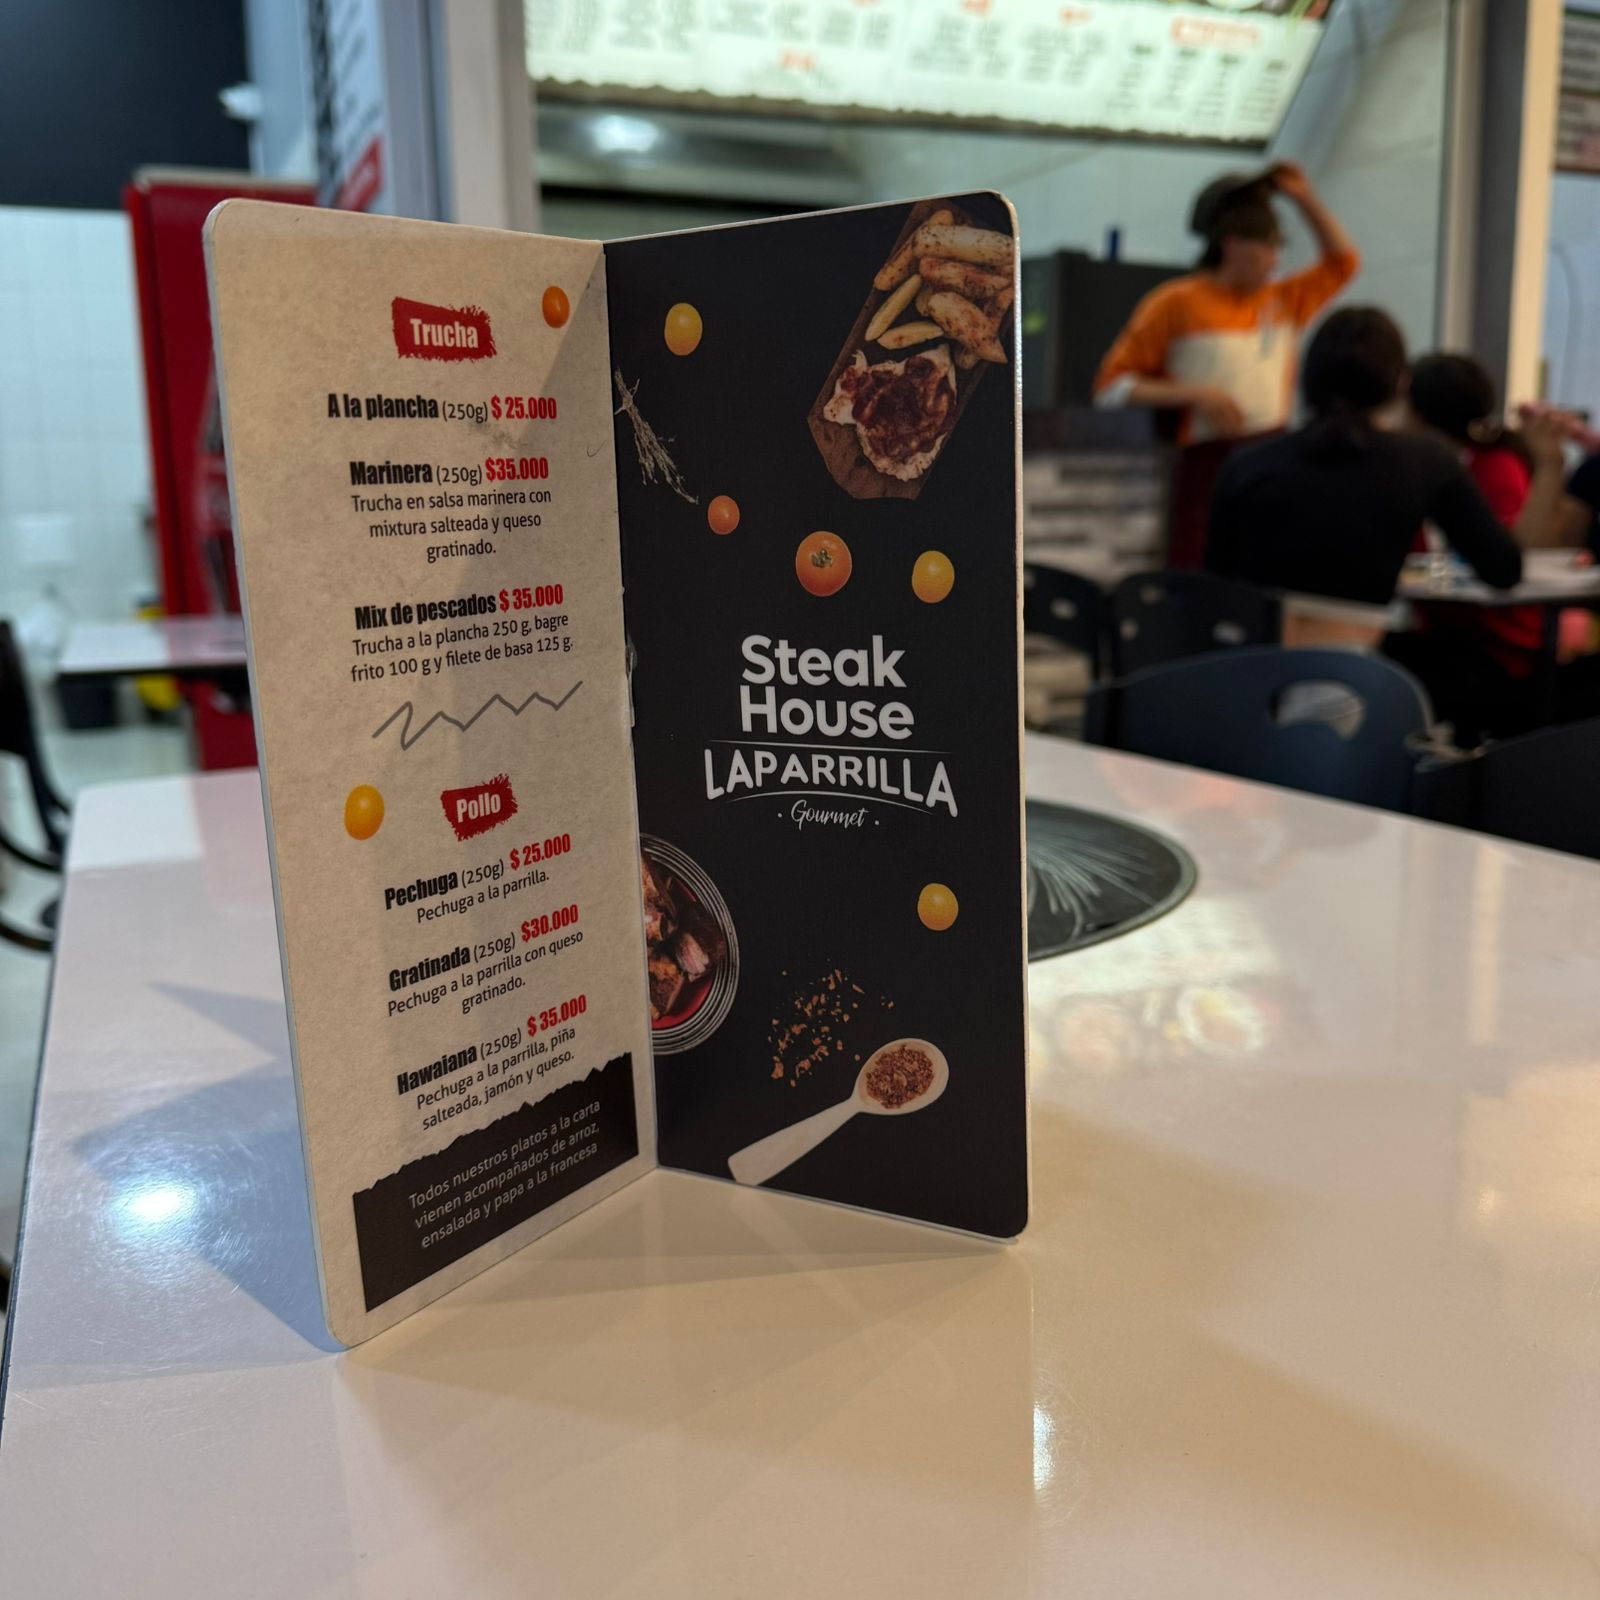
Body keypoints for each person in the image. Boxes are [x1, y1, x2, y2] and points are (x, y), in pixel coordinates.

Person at [1095, 162, 1360, 566]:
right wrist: (1197, 395)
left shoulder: (1282, 301)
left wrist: (1303, 198)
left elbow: (1344, 263)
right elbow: (1111, 390)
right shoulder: (1175, 303)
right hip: (1204, 469)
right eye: (1268, 248)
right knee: (1200, 570)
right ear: (1233, 244)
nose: (1274, 262)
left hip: (1274, 460)